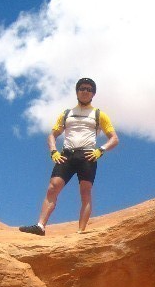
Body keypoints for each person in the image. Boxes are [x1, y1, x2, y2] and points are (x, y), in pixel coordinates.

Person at [19, 78, 118, 235]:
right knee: (53, 187)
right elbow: (52, 135)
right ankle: (40, 226)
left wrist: (101, 150)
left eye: (89, 89)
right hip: (67, 154)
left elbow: (114, 138)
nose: (85, 91)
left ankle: (81, 231)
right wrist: (53, 151)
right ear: (77, 91)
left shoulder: (99, 115)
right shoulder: (67, 114)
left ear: (93, 93)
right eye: (82, 88)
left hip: (87, 155)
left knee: (85, 191)